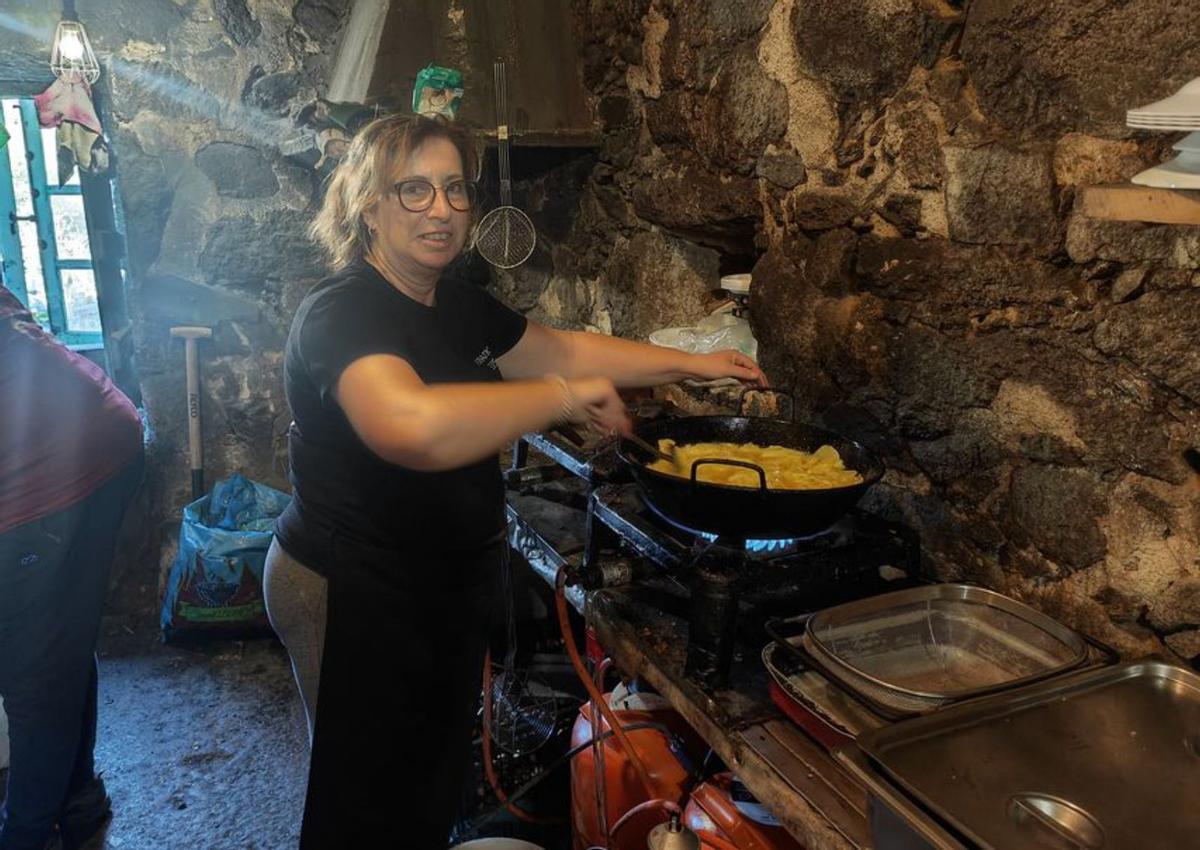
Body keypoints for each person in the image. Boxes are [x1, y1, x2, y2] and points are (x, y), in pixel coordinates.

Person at [264, 113, 765, 848]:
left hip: (427, 581)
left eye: (455, 189)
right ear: (369, 206)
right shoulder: (342, 312)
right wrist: (559, 400)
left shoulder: (452, 300)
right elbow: (410, 426)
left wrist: (693, 363)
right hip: (349, 586)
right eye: (414, 190)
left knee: (423, 783)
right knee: (367, 801)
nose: (441, 209)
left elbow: (561, 349)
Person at [0, 284, 144, 850]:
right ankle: (77, 799)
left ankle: (28, 835)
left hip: (58, 470)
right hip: (83, 438)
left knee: (33, 672)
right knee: (54, 640)